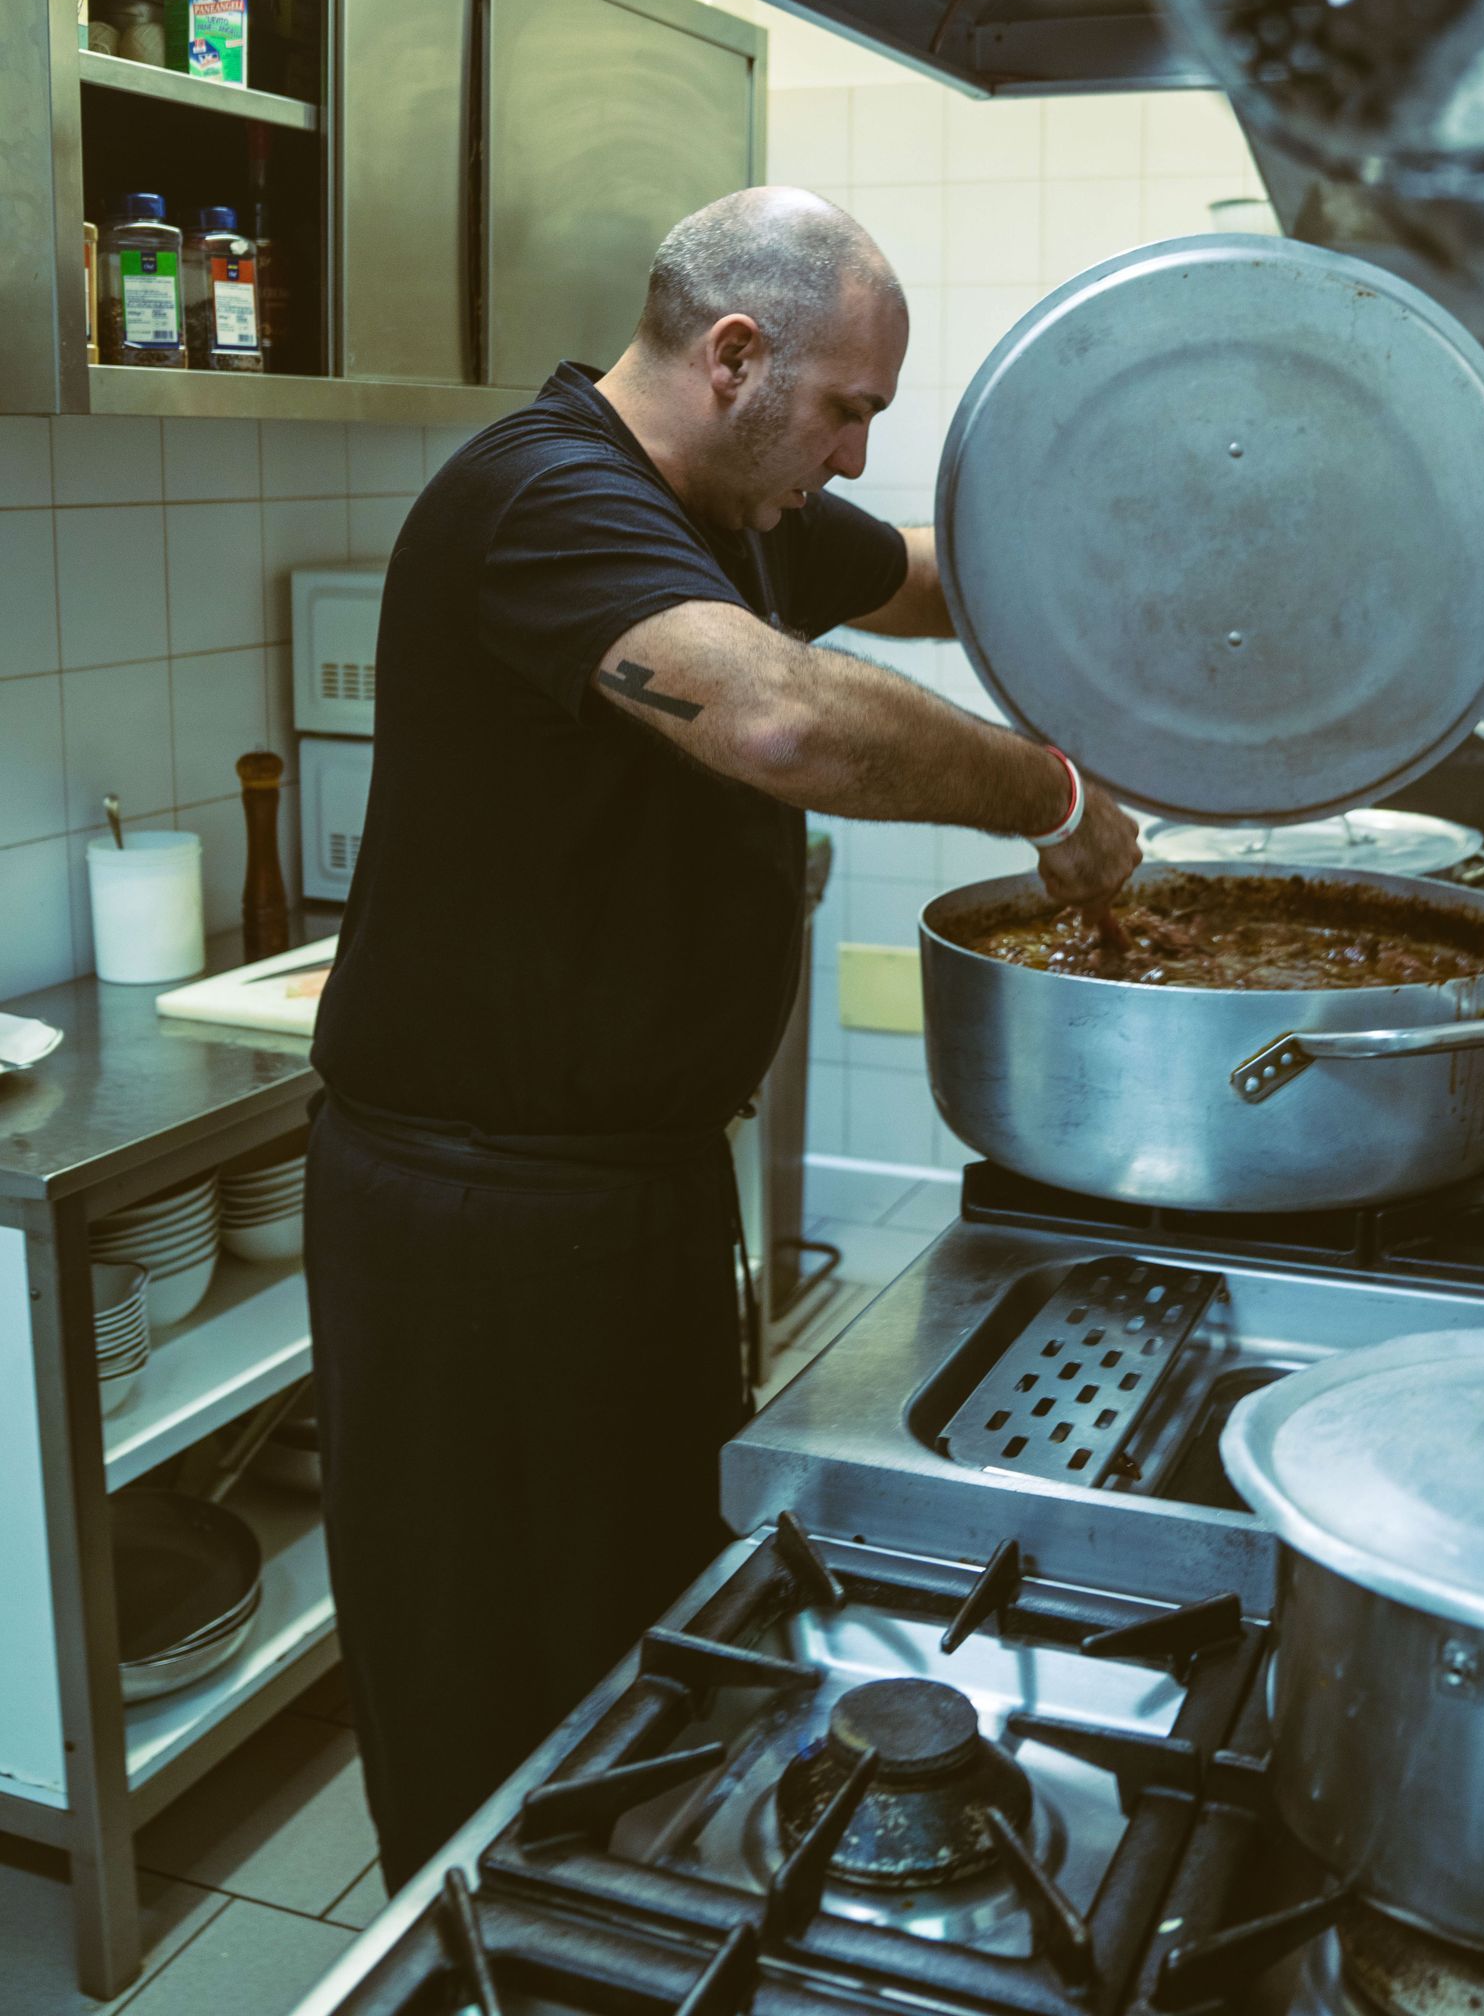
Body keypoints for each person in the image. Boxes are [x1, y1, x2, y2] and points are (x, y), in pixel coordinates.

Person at [305, 184, 1141, 1883]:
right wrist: (1049, 793)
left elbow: (931, 581)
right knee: (489, 1675)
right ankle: (473, 1966)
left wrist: (1131, 592)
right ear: (735, 355)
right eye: (845, 411)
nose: (852, 455)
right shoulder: (545, 501)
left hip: (632, 1192)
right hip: (475, 1219)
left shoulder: (742, 512)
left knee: (646, 1634)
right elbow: (773, 721)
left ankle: (618, 1935)